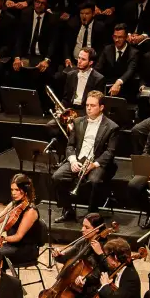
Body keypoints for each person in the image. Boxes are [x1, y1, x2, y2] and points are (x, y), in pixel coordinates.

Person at [52, 92, 119, 221]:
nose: (88, 108)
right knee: (57, 177)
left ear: (101, 107)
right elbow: (70, 146)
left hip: (96, 162)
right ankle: (68, 210)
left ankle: (92, 215)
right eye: (87, 105)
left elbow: (110, 152)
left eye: (92, 105)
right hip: (78, 159)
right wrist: (72, 161)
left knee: (94, 181)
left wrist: (93, 165)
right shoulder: (78, 122)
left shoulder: (112, 127)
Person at [0, 173, 42, 271]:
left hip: (24, 250)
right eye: (12, 189)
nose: (13, 193)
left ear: (26, 190)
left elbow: (18, 237)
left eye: (17, 190)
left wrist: (3, 238)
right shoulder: (14, 204)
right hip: (11, 246)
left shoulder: (31, 211)